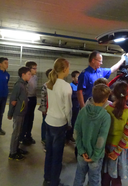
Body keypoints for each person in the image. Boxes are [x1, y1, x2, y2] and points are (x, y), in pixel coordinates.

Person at [73, 84, 111, 186]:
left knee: (79, 177)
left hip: (82, 153)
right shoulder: (106, 117)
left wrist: (81, 150)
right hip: (96, 156)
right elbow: (101, 140)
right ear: (105, 99)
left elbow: (76, 133)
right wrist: (95, 156)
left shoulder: (83, 111)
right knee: (94, 181)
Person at [43, 58, 72, 186]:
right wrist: (69, 123)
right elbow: (68, 109)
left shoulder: (50, 83)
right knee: (57, 155)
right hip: (59, 124)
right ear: (65, 69)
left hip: (48, 121)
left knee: (49, 151)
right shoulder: (66, 86)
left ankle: (47, 177)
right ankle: (54, 182)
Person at [102, 82, 128, 186]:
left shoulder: (107, 108)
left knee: (105, 176)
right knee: (117, 178)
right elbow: (126, 135)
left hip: (107, 147)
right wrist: (117, 152)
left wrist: (104, 149)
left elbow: (103, 131)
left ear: (113, 93)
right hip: (121, 150)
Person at [8, 67, 32, 161]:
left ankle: (16, 149)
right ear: (23, 74)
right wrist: (10, 113)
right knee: (16, 133)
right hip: (18, 113)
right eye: (29, 74)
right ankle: (12, 153)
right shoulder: (19, 85)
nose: (30, 76)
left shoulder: (24, 84)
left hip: (22, 112)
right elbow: (13, 100)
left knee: (19, 132)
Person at [20, 61, 38, 145]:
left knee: (31, 118)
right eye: (34, 68)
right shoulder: (26, 79)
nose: (36, 70)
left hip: (33, 98)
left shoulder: (35, 77)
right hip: (27, 99)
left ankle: (28, 135)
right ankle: (22, 137)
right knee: (26, 119)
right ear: (29, 69)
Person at [38, 68, 52, 146]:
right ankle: (44, 138)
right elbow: (43, 98)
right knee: (45, 123)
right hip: (46, 108)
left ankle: (49, 138)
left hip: (53, 108)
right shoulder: (45, 85)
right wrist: (44, 108)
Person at [66, 70, 80, 143]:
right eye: (77, 77)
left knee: (75, 122)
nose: (79, 78)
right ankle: (66, 137)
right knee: (69, 122)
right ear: (73, 78)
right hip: (72, 106)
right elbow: (71, 96)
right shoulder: (70, 86)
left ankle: (70, 135)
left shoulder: (80, 85)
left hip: (78, 107)